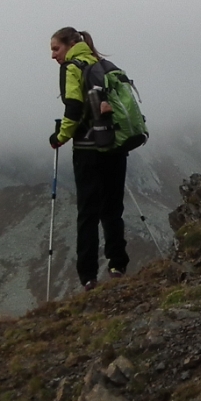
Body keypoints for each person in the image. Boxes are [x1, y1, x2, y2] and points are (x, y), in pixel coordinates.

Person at [50, 26, 129, 288]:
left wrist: (60, 136)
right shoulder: (104, 64)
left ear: (70, 45)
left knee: (87, 213)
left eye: (55, 49)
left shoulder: (73, 67)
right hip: (115, 146)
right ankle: (118, 266)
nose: (53, 56)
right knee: (113, 209)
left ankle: (88, 277)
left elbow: (74, 106)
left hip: (87, 149)